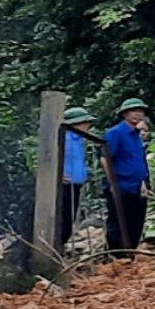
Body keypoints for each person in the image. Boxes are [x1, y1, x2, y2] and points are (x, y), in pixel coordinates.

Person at [102, 98, 151, 261]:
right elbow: (105, 158)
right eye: (133, 111)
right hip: (121, 186)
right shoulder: (116, 133)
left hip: (137, 186)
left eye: (140, 111)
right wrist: (113, 184)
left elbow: (139, 160)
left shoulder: (137, 135)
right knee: (118, 222)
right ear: (125, 114)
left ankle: (129, 255)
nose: (137, 114)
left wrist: (145, 183)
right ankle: (115, 256)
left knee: (136, 222)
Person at [57, 106, 97, 251]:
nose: (88, 126)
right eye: (85, 122)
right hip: (65, 186)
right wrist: (58, 174)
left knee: (69, 220)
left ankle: (60, 249)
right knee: (63, 221)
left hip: (76, 184)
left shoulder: (78, 140)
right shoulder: (64, 139)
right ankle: (56, 250)